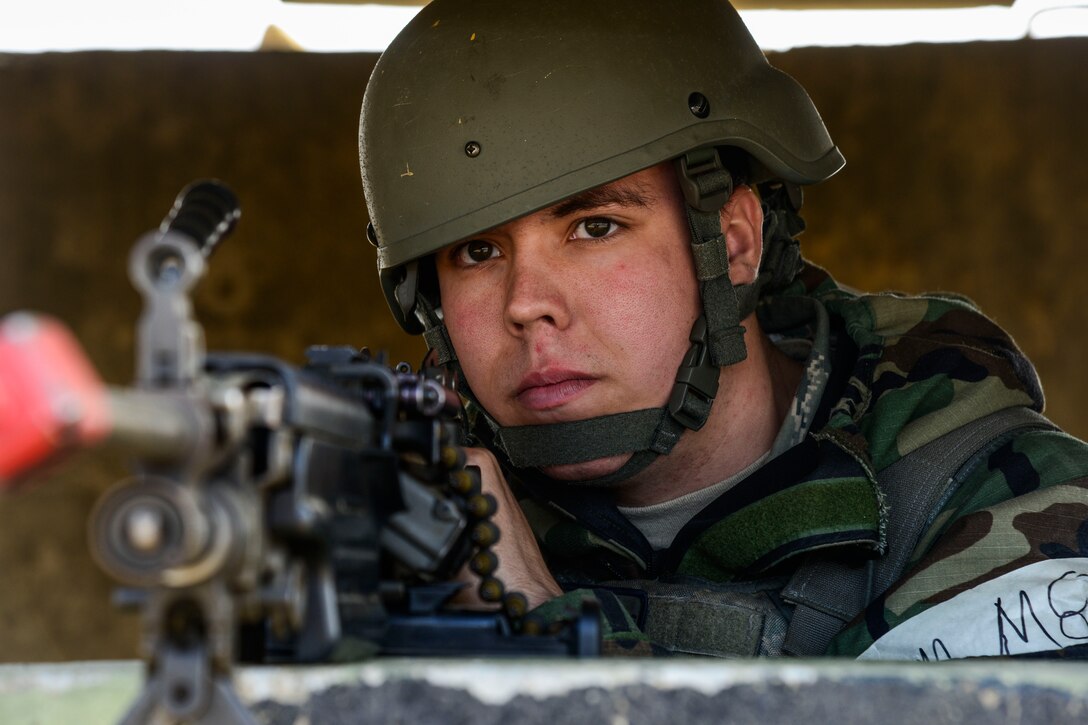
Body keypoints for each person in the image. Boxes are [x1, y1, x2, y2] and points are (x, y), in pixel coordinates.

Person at [358, 0, 1088, 658]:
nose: (525, 304)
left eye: (595, 226)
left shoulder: (1005, 508)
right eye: (477, 252)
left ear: (733, 243)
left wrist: (548, 641)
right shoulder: (393, 510)